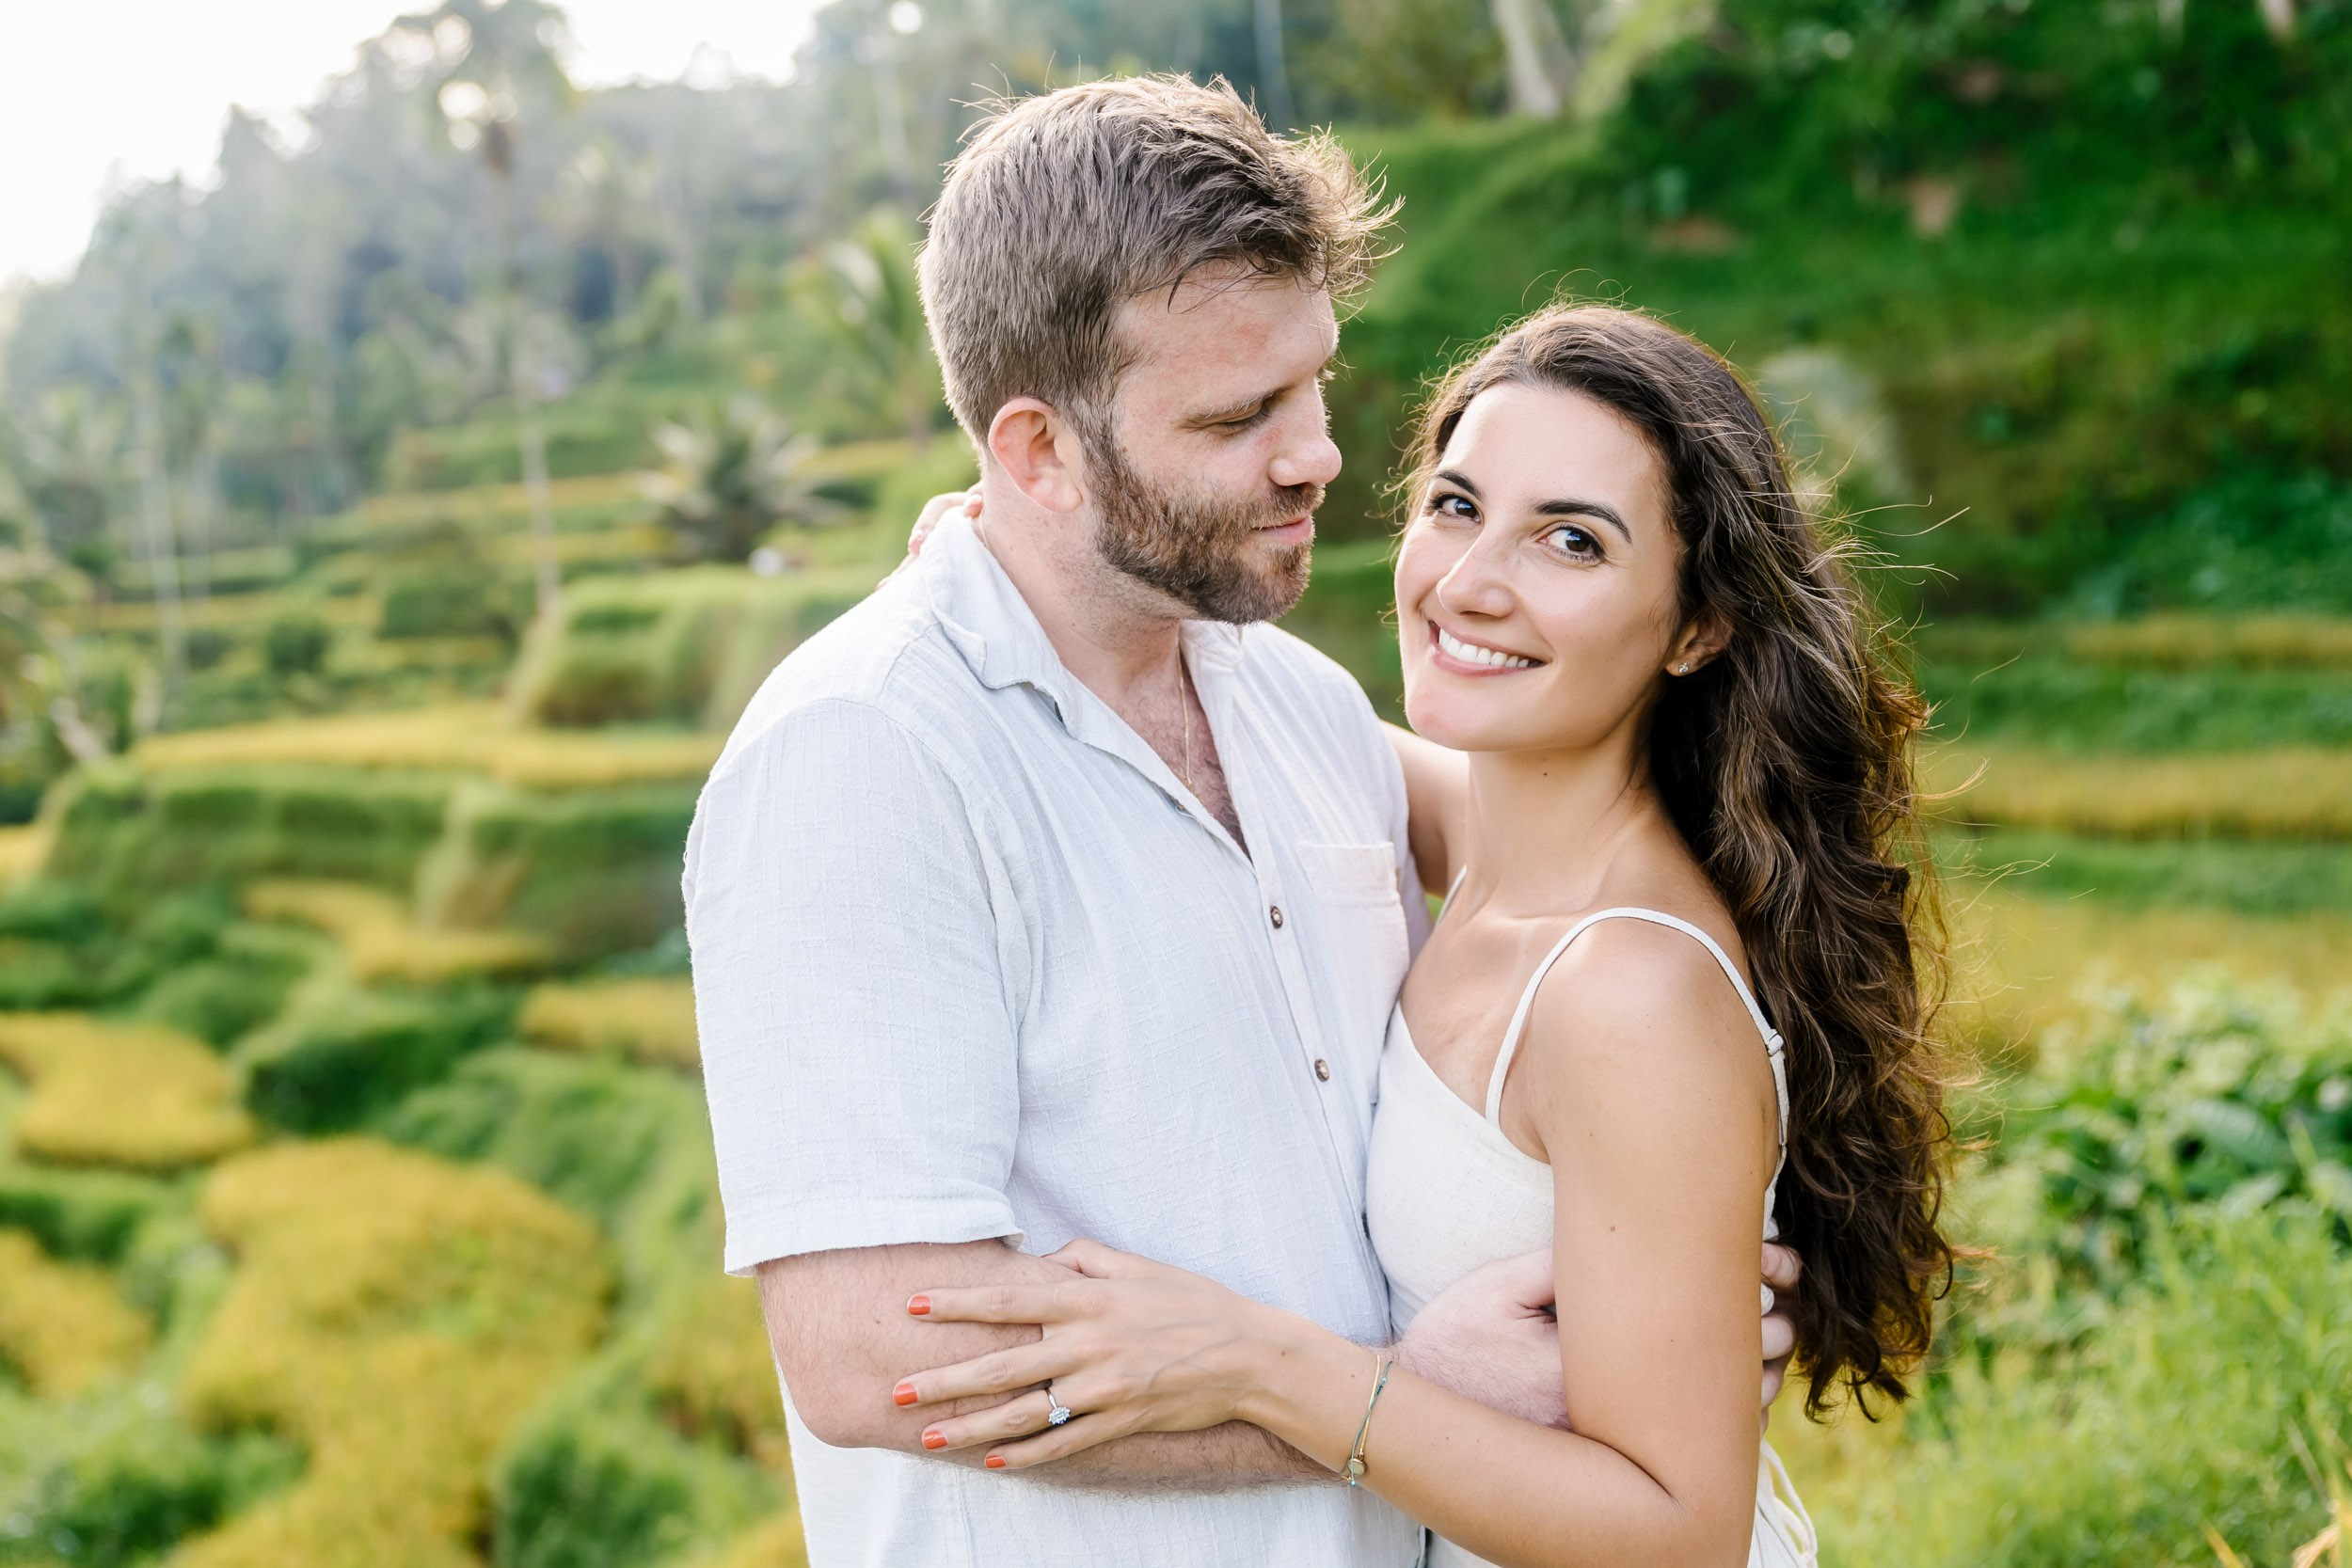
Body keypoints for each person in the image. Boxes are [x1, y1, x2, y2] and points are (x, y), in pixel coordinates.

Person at [685, 77, 1795, 1568]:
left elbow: (1616, 873)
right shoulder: (867, 757)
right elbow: (873, 1355)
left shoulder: (1305, 709)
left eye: (1313, 384)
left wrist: (1680, 1279)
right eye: (1237, 416)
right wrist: (1400, 1392)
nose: (1319, 455)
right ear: (1037, 457)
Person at [891, 305, 1957, 1567]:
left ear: (1696, 628)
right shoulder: (1489, 837)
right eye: (1455, 505)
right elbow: (1220, 736)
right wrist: (1004, 556)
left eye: (1573, 540)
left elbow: (1681, 1533)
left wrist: (1264, 1365)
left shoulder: (1628, 992)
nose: (1470, 582)